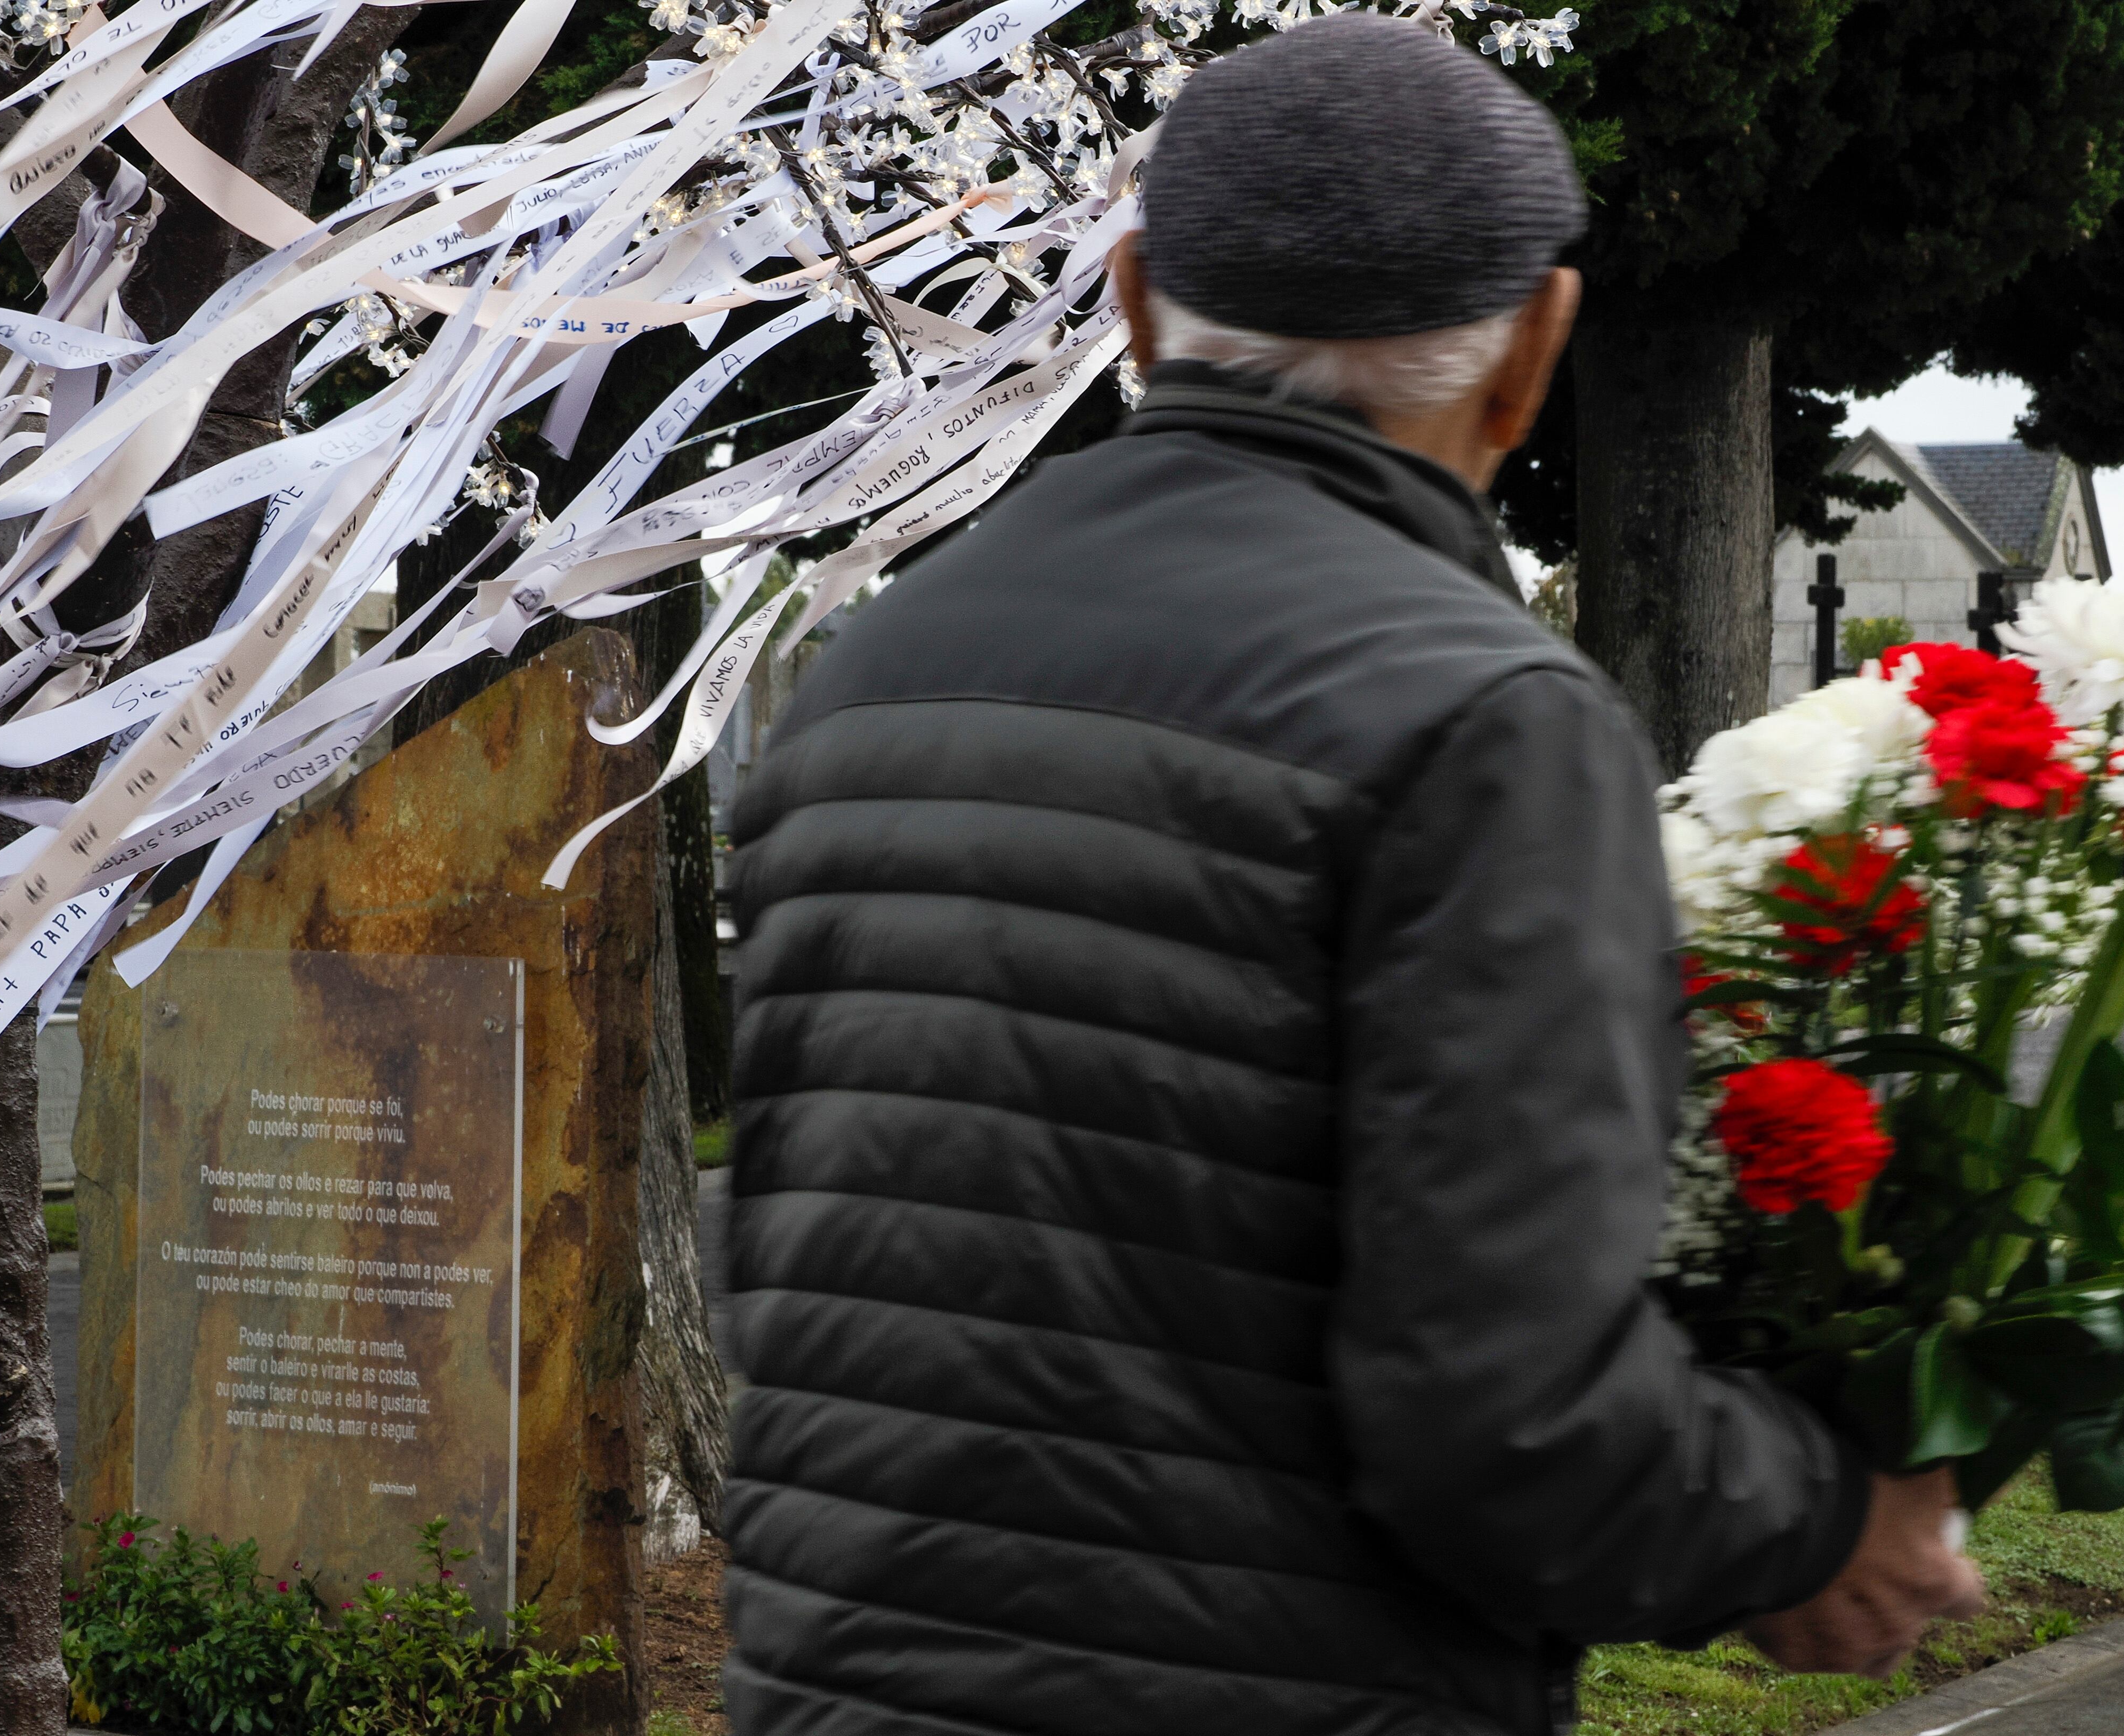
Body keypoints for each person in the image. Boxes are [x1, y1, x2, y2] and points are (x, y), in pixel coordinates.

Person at [714, 17, 1984, 1735]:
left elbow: (804, 1252)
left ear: (1138, 297)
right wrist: (1817, 1522)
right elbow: (1500, 1414)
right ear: (1536, 348)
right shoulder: (1482, 716)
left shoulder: (880, 666)